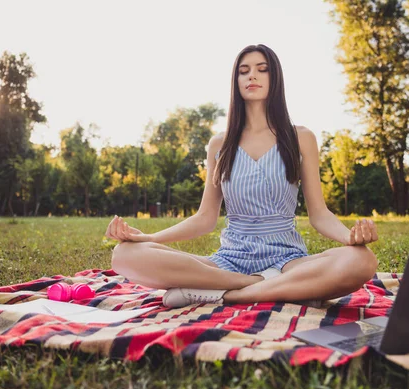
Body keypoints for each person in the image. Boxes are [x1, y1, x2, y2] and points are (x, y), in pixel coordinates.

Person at [108, 44, 379, 308]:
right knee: (124, 254)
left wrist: (349, 239)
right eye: (244, 70)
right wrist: (149, 238)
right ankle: (259, 284)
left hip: (288, 260)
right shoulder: (219, 143)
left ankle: (229, 295)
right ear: (235, 80)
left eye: (262, 69)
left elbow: (319, 214)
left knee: (362, 261)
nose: (252, 75)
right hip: (229, 260)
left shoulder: (301, 138)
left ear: (275, 79)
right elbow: (205, 218)